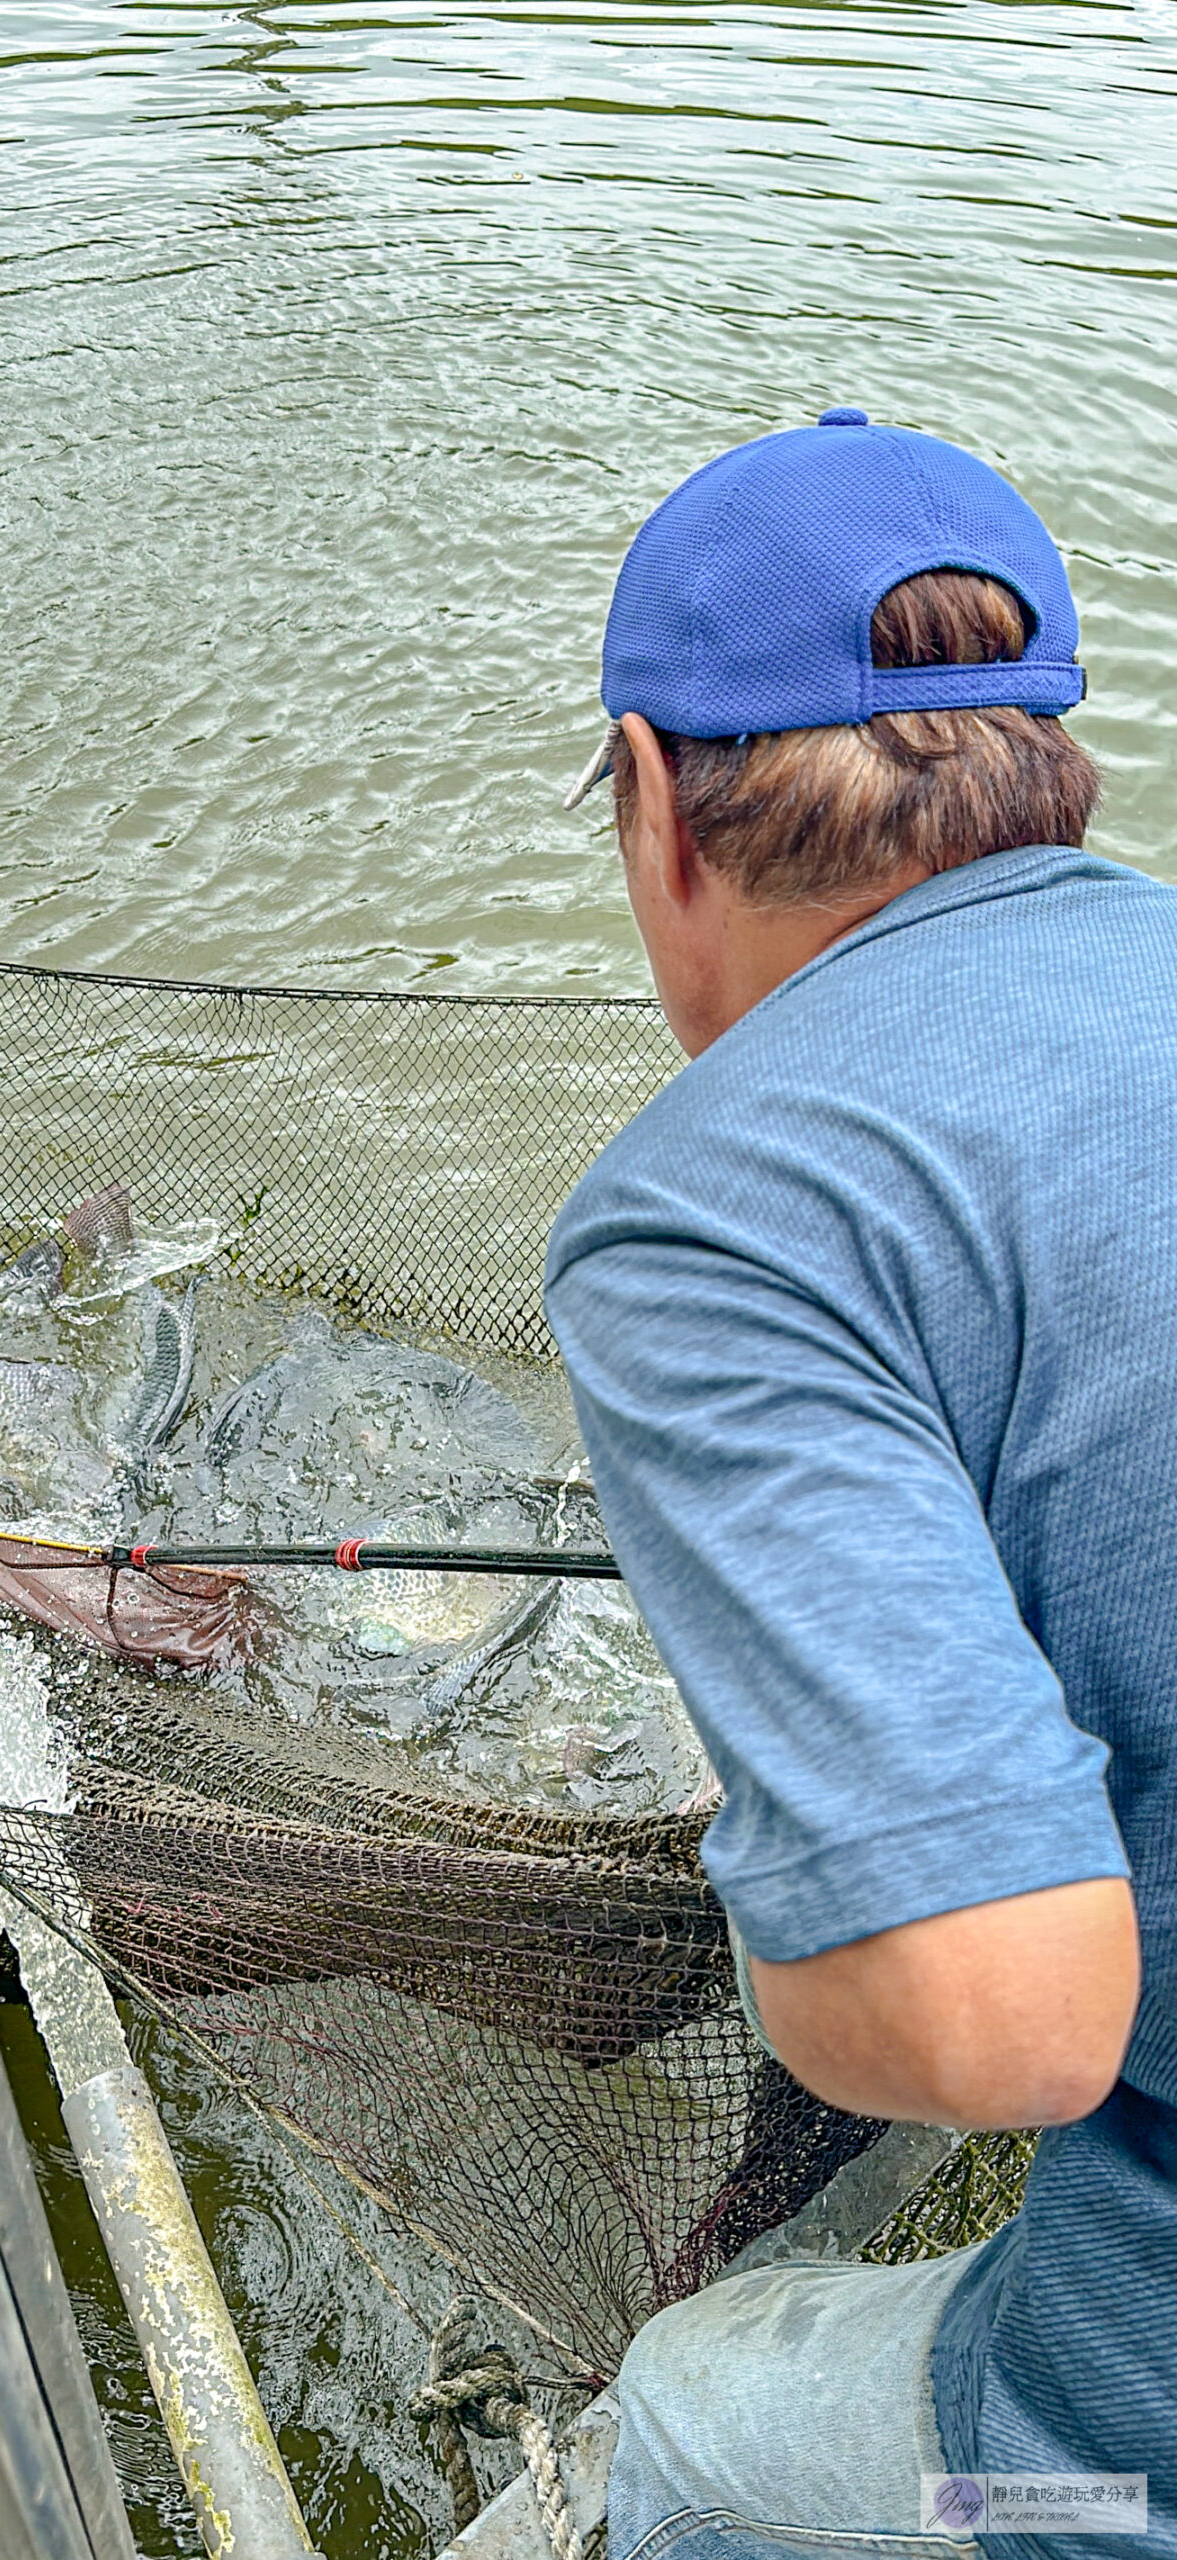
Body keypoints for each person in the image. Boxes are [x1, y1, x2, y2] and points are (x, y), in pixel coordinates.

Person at [545, 409, 1172, 2560]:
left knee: (697, 2401)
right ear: (1044, 762)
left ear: (652, 795)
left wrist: (784, 1860)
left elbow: (995, 2025)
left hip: (1132, 2465)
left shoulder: (718, 1211)